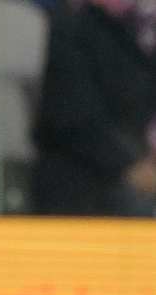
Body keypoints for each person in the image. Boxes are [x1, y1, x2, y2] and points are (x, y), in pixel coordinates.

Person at [32, 0, 156, 215]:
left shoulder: (133, 31)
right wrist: (131, 166)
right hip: (82, 187)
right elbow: (74, 117)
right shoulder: (71, 27)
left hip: (131, 170)